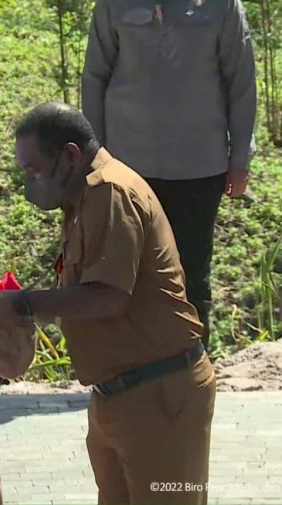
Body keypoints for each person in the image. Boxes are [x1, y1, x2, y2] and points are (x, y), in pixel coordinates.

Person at [0, 103, 216, 505]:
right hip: (116, 396)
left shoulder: (111, 192)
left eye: (34, 169)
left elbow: (107, 297)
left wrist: (23, 305)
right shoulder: (82, 201)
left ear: (70, 155)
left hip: (159, 397)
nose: (29, 182)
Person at [81, 0, 257, 351]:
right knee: (126, 274)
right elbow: (94, 78)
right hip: (127, 169)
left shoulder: (222, 6)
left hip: (199, 167)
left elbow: (240, 81)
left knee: (190, 273)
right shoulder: (113, 6)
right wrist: (95, 159)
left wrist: (240, 158)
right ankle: (133, 370)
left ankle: (191, 368)